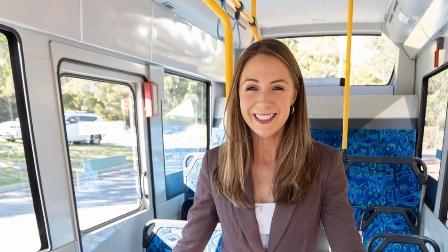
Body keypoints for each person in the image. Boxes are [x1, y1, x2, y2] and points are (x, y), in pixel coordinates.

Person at [173, 38, 363, 252]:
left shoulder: (325, 163)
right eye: (252, 87)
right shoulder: (214, 163)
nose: (263, 100)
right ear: (238, 93)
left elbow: (348, 244)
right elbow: (189, 244)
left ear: (294, 93)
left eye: (278, 88)